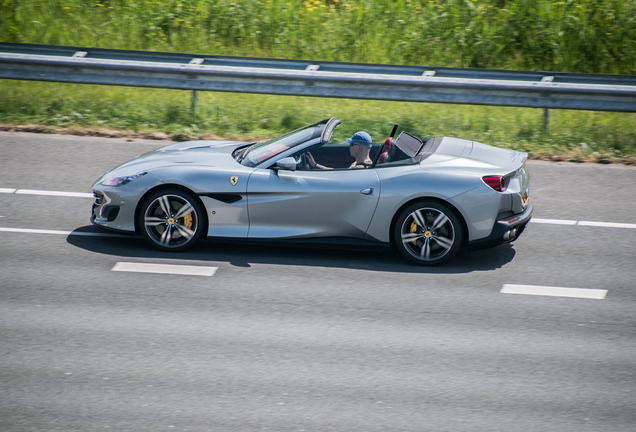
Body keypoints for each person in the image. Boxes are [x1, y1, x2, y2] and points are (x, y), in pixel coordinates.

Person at [307, 131, 374, 170]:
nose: (349, 146)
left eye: (352, 144)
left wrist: (315, 165)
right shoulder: (361, 164)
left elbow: (337, 175)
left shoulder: (358, 169)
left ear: (360, 148)